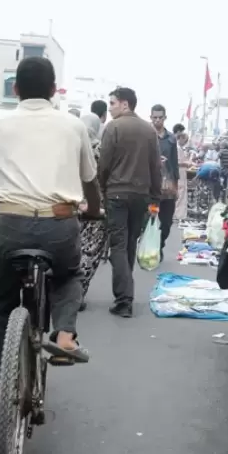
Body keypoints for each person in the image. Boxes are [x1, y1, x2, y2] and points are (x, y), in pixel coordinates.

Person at [0, 56, 101, 409]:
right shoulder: (74, 127)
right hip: (60, 226)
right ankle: (65, 336)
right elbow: (90, 181)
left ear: (16, 88)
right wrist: (95, 211)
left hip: (9, 226)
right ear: (54, 91)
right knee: (69, 274)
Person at [97, 87, 162, 317]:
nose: (110, 108)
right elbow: (156, 167)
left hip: (116, 194)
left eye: (112, 103)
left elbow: (104, 164)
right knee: (130, 245)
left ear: (125, 104)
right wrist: (155, 199)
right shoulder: (148, 130)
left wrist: (101, 189)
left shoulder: (112, 127)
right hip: (141, 196)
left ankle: (124, 299)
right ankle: (125, 295)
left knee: (118, 245)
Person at [77, 111, 109, 312]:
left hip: (69, 204)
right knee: (90, 250)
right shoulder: (100, 150)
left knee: (70, 249)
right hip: (95, 206)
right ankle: (79, 292)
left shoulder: (70, 146)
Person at [150, 104, 178, 260]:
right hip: (152, 190)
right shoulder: (147, 136)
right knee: (152, 220)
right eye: (154, 117)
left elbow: (174, 164)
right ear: (151, 118)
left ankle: (160, 245)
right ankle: (151, 248)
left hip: (168, 189)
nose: (157, 120)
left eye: (160, 117)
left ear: (165, 118)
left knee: (166, 223)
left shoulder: (171, 139)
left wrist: (176, 186)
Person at [173, 125, 190, 221]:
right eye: (185, 140)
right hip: (179, 172)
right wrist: (186, 163)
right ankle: (178, 215)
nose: (185, 143)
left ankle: (179, 215)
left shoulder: (179, 148)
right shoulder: (177, 148)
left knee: (181, 194)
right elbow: (176, 162)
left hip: (181, 173)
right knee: (180, 194)